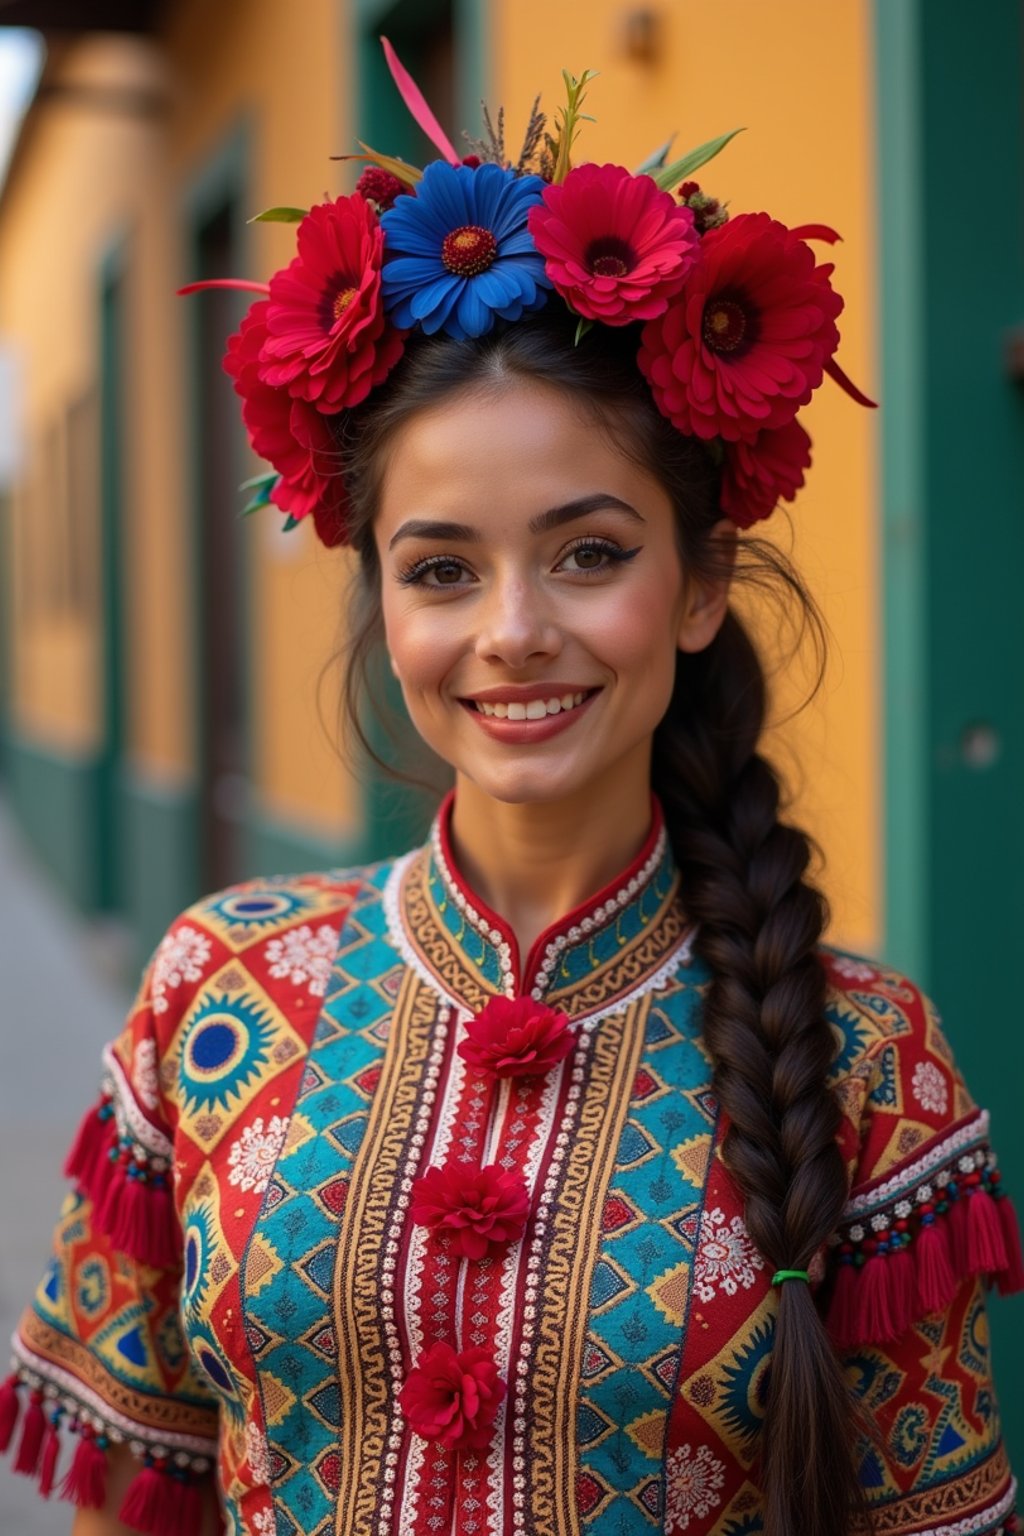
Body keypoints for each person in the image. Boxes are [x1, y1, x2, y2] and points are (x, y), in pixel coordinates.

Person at [2, 48, 1020, 1536]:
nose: (512, 630)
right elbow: (136, 1499)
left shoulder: (866, 1060)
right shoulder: (219, 993)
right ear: (379, 601)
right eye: (440, 569)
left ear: (698, 586)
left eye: (590, 551)